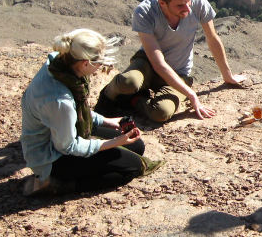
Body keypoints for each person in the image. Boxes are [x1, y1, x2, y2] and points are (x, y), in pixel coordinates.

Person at [21, 29, 163, 196]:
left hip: (62, 130)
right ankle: (57, 184)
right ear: (85, 63)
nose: (101, 66)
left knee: (136, 146)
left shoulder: (60, 63)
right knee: (132, 167)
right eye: (99, 62)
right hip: (51, 157)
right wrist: (113, 143)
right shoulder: (59, 100)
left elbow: (74, 112)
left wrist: (106, 121)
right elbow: (68, 146)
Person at [98, 0, 247, 122]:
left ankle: (134, 100)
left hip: (179, 71)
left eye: (188, 1)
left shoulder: (199, 3)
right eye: (180, 5)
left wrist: (228, 76)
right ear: (162, 3)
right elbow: (158, 63)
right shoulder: (145, 12)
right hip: (148, 65)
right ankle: (108, 95)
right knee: (128, 82)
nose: (187, 9)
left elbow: (212, 39)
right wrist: (192, 95)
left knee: (161, 113)